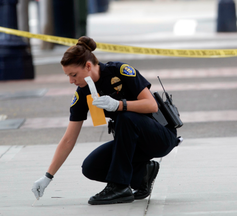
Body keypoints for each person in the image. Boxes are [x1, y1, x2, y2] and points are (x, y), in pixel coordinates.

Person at [31, 36, 181, 205]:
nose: (71, 81)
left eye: (73, 75)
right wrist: (47, 177)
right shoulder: (83, 92)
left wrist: (118, 105)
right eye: (68, 76)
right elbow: (68, 139)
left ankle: (119, 187)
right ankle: (143, 173)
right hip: (131, 143)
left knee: (125, 117)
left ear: (88, 66)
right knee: (91, 167)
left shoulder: (120, 71)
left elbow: (151, 105)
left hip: (159, 136)